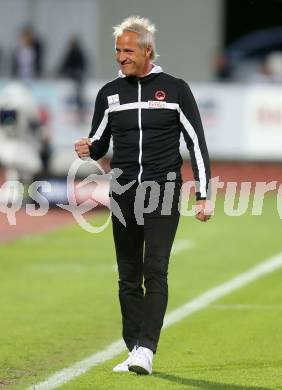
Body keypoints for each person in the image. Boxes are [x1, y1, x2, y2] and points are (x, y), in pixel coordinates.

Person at [74, 16, 211, 375]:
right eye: (118, 50)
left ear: (148, 50)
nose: (121, 56)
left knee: (156, 269)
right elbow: (101, 142)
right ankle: (135, 347)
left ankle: (146, 349)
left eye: (128, 50)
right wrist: (88, 148)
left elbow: (196, 142)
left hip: (163, 189)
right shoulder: (108, 94)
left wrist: (203, 194)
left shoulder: (176, 89)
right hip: (123, 192)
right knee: (127, 275)